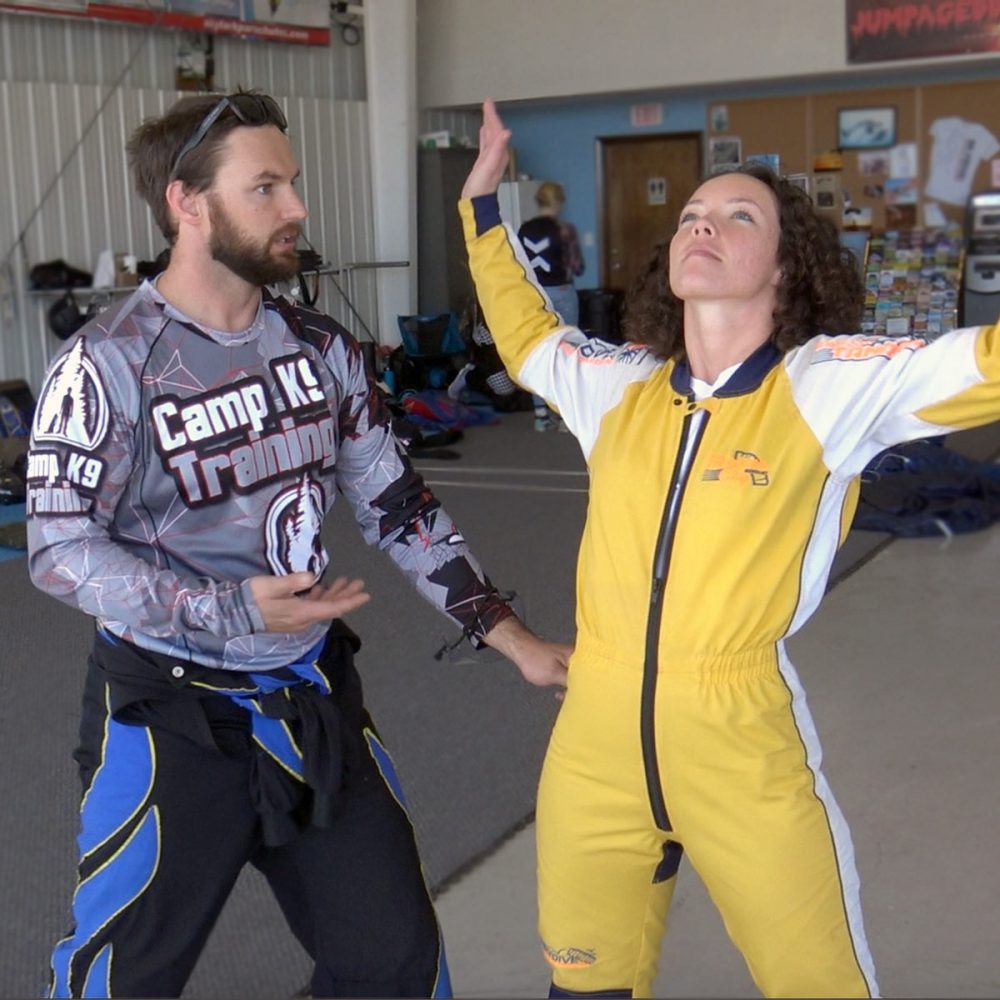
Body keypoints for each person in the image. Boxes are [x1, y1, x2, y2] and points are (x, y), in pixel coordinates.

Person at [25, 89, 570, 999]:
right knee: (117, 983)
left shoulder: (320, 349)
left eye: (294, 184)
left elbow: (396, 503)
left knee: (395, 967)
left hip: (310, 702)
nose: (297, 208)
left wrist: (510, 637)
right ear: (187, 203)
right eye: (265, 187)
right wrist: (224, 606)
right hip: (167, 715)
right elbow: (58, 547)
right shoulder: (107, 363)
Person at [458, 99, 1000, 998]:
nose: (702, 223)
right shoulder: (619, 387)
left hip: (739, 741)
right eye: (690, 216)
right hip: (592, 742)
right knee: (583, 985)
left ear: (786, 269)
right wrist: (482, 207)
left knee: (816, 983)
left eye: (737, 215)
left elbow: (981, 361)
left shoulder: (824, 387)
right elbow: (526, 335)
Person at [516, 180, 584, 431]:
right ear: (558, 203)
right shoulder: (564, 229)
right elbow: (578, 266)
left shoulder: (525, 229)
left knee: (539, 349)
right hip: (563, 292)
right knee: (567, 351)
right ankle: (566, 416)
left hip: (536, 294)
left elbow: (520, 264)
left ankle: (541, 415)